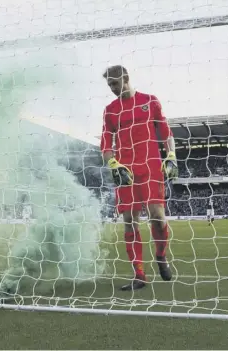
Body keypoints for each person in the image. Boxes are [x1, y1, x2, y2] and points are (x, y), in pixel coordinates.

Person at [100, 65, 178, 291]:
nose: (113, 88)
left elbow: (166, 132)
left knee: (158, 217)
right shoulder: (110, 110)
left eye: (115, 83)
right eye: (109, 85)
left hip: (151, 167)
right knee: (130, 222)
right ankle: (139, 275)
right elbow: (106, 142)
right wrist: (113, 163)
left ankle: (161, 256)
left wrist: (171, 155)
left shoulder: (150, 101)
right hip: (125, 171)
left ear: (126, 78)